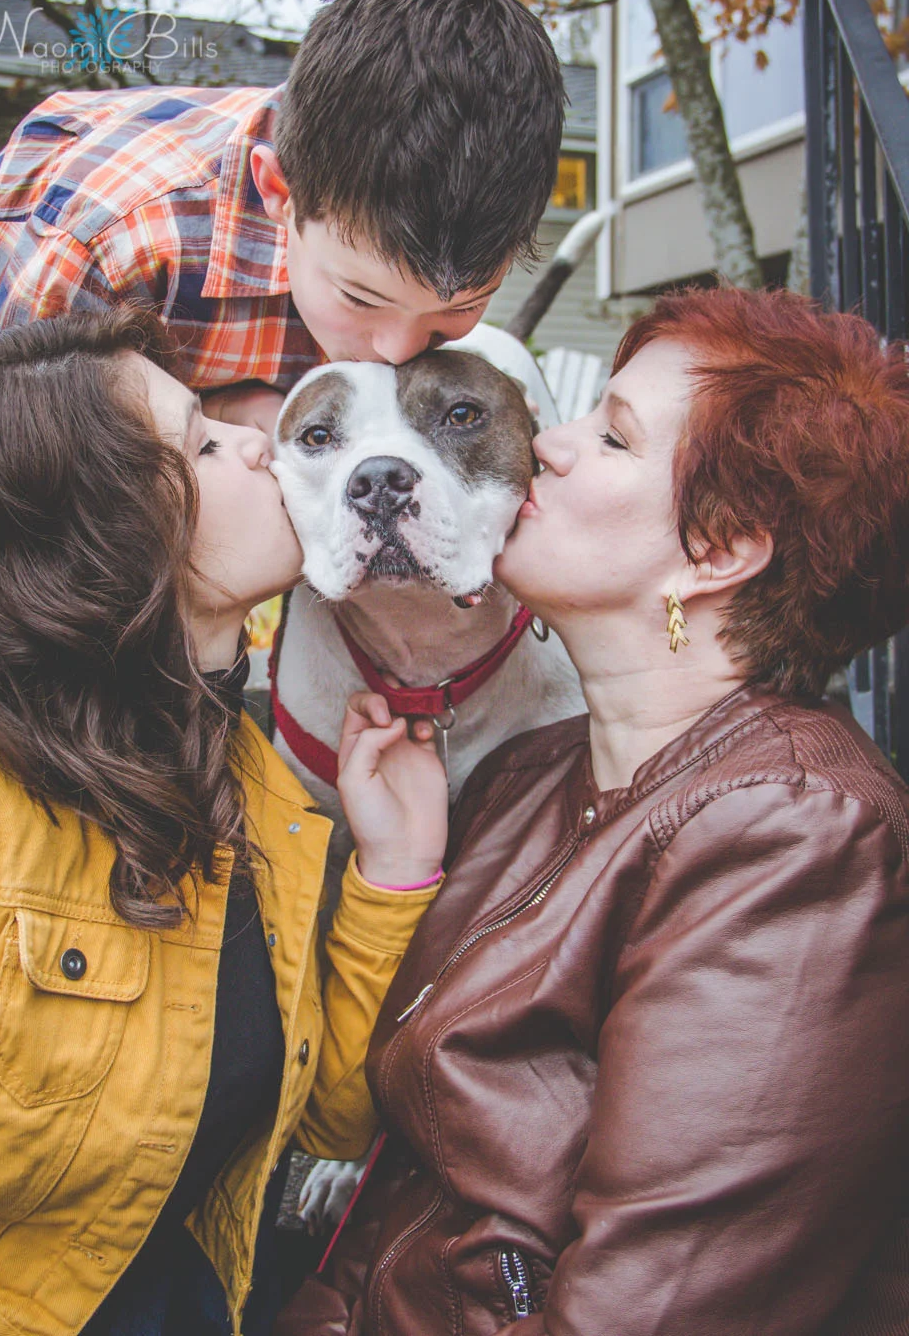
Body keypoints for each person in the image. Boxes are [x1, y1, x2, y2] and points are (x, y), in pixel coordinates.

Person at [295, 285, 909, 1334]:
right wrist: (398, 869)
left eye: (613, 438)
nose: (551, 447)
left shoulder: (800, 835)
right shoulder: (527, 776)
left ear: (718, 550)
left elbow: (652, 1306)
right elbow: (398, 1177)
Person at [0, 307, 447, 1336]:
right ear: (91, 541)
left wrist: (393, 869)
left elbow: (330, 1115)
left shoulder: (260, 795)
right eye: (200, 442)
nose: (259, 440)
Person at [0, 0, 564, 431]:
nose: (396, 350)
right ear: (278, 191)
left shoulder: (407, 239)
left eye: (458, 310)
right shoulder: (108, 230)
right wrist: (216, 415)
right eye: (361, 299)